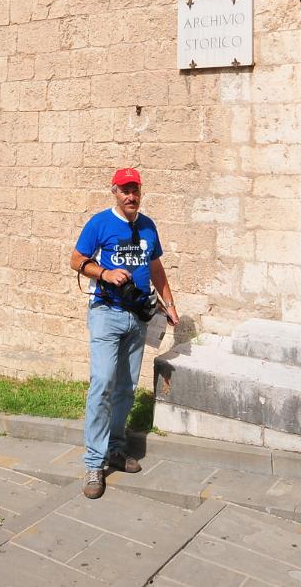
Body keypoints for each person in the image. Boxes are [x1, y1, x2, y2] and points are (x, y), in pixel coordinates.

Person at [69, 167, 179, 499]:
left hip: (138, 317)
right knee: (103, 382)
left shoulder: (148, 226)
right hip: (106, 313)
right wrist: (104, 273)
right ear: (114, 192)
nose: (131, 196)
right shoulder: (100, 223)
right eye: (125, 190)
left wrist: (170, 303)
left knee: (127, 388)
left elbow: (156, 267)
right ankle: (93, 463)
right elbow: (76, 260)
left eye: (135, 190)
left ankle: (115, 448)